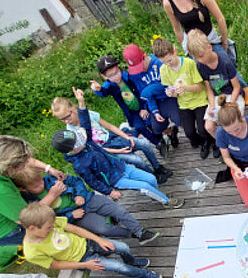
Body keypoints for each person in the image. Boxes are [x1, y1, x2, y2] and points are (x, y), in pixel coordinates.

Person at [51, 88, 184, 209]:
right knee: (144, 185)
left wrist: (81, 102)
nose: (83, 140)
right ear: (71, 150)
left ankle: (156, 195)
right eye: (79, 141)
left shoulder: (86, 141)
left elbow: (85, 122)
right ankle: (166, 201)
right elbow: (92, 182)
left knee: (151, 179)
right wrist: (109, 192)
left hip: (121, 165)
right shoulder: (80, 165)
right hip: (115, 179)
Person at [19, 202, 162, 278]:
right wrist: (85, 265)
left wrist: (98, 239)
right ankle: (145, 275)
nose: (51, 228)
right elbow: (56, 265)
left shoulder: (47, 220)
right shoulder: (32, 253)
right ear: (32, 228)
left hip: (88, 243)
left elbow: (74, 228)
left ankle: (133, 261)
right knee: (119, 267)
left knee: (123, 247)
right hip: (83, 259)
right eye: (48, 228)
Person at [12, 166, 159, 243]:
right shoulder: (31, 204)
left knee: (119, 211)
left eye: (40, 180)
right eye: (36, 185)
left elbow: (76, 181)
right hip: (77, 216)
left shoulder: (51, 179)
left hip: (88, 200)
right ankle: (131, 234)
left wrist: (80, 194)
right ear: (23, 189)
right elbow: (50, 220)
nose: (41, 184)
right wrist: (70, 215)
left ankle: (141, 232)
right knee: (104, 229)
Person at [50, 94, 172, 184]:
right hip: (106, 152)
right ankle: (152, 176)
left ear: (74, 108)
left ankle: (157, 168)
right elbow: (96, 150)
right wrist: (119, 151)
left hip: (113, 138)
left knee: (143, 144)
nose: (67, 120)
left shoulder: (88, 114)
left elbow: (108, 126)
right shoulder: (71, 133)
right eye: (62, 119)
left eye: (68, 115)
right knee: (136, 159)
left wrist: (126, 137)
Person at [156, 0, 242, 76]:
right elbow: (177, 28)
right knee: (207, 78)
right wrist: (187, 49)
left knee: (231, 72)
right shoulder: (167, 3)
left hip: (210, 40)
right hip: (192, 45)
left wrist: (224, 42)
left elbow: (220, 18)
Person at [90, 55, 168, 157]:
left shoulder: (130, 77)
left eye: (117, 72)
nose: (116, 76)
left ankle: (163, 136)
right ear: (104, 76)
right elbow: (104, 92)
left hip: (142, 105)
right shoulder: (109, 85)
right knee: (140, 127)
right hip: (131, 112)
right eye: (111, 76)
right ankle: (158, 143)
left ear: (119, 67)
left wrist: (143, 108)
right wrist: (98, 89)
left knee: (149, 122)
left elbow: (142, 91)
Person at [187, 28, 244, 157]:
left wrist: (230, 104)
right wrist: (212, 106)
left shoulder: (225, 62)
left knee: (233, 119)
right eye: (197, 58)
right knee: (208, 126)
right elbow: (208, 88)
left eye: (201, 56)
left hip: (232, 95)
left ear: (209, 46)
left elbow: (236, 87)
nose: (200, 60)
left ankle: (240, 142)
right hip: (217, 97)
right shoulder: (201, 66)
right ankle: (225, 144)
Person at [153, 37, 212, 152]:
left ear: (174, 51)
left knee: (203, 129)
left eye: (169, 60)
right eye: (164, 62)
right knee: (189, 133)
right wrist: (171, 93)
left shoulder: (189, 63)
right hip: (184, 104)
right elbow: (173, 92)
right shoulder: (163, 69)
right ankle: (203, 142)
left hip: (199, 100)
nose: (167, 64)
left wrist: (185, 88)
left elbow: (200, 87)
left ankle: (210, 142)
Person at [123, 43, 181, 152]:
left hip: (169, 96)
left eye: (140, 66)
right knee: (156, 127)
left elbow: (168, 83)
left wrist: (150, 89)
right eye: (135, 68)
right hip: (155, 101)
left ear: (144, 56)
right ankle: (171, 132)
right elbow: (146, 95)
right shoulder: (135, 75)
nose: (139, 70)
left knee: (180, 120)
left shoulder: (158, 62)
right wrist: (154, 111)